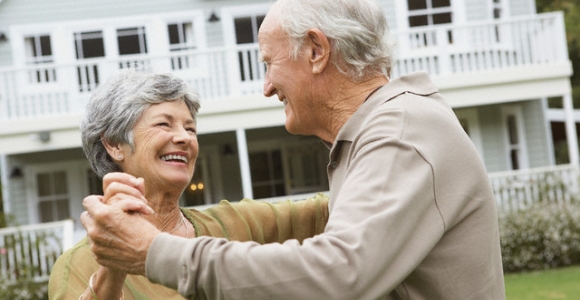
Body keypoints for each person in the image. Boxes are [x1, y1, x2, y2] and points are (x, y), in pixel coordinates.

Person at [81, 0, 506, 299]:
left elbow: (338, 273)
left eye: (269, 62)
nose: (266, 87)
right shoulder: (384, 132)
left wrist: (153, 252)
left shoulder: (400, 132)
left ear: (317, 51)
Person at [48, 69, 329, 300]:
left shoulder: (237, 224)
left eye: (190, 128)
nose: (184, 138)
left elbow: (339, 207)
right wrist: (112, 271)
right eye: (164, 125)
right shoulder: (77, 266)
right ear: (113, 143)